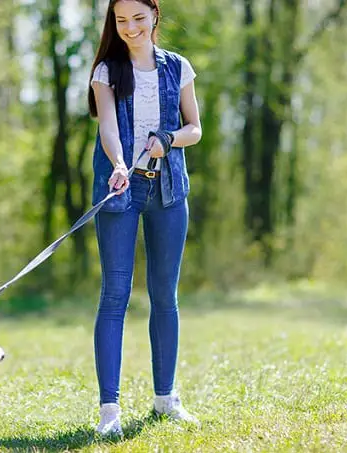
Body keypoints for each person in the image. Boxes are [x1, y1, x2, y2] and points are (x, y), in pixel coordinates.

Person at [87, 0, 202, 435]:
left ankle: (165, 399)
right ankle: (109, 412)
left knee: (164, 296)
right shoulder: (107, 72)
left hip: (169, 190)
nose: (130, 28)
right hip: (120, 190)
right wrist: (119, 163)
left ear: (155, 15)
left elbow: (195, 128)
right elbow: (109, 128)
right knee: (114, 295)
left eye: (138, 18)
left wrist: (168, 139)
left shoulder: (179, 67)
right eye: (121, 20)